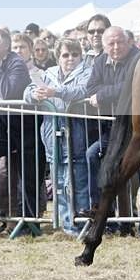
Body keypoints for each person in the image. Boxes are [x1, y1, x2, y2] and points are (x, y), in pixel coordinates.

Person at [23, 38, 91, 234]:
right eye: (65, 55)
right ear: (58, 56)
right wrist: (34, 94)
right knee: (59, 182)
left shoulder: (87, 72)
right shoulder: (48, 73)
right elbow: (27, 91)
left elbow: (82, 90)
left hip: (77, 133)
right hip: (52, 135)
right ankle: (66, 224)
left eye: (74, 54)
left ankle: (82, 225)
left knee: (77, 182)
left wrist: (55, 92)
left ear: (80, 56)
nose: (70, 59)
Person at [83, 27, 139, 224]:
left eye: (120, 42)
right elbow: (90, 89)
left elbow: (131, 86)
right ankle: (99, 210)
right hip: (112, 128)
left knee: (128, 171)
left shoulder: (138, 58)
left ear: (129, 42)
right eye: (111, 44)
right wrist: (104, 93)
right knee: (93, 154)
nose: (116, 47)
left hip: (138, 127)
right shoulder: (100, 62)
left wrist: (103, 95)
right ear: (104, 46)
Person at [0, 28, 38, 222]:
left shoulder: (17, 63)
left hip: (22, 129)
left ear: (6, 46)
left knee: (27, 177)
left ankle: (28, 220)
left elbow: (7, 93)